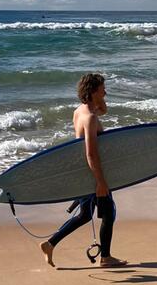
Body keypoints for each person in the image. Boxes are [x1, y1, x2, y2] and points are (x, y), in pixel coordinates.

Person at [39, 73, 127, 268]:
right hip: (93, 173)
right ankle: (106, 257)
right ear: (94, 91)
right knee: (109, 214)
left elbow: (103, 110)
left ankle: (49, 244)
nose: (106, 91)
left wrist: (100, 102)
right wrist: (101, 182)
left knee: (85, 215)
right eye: (103, 88)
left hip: (83, 172)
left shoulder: (80, 111)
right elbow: (91, 154)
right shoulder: (90, 118)